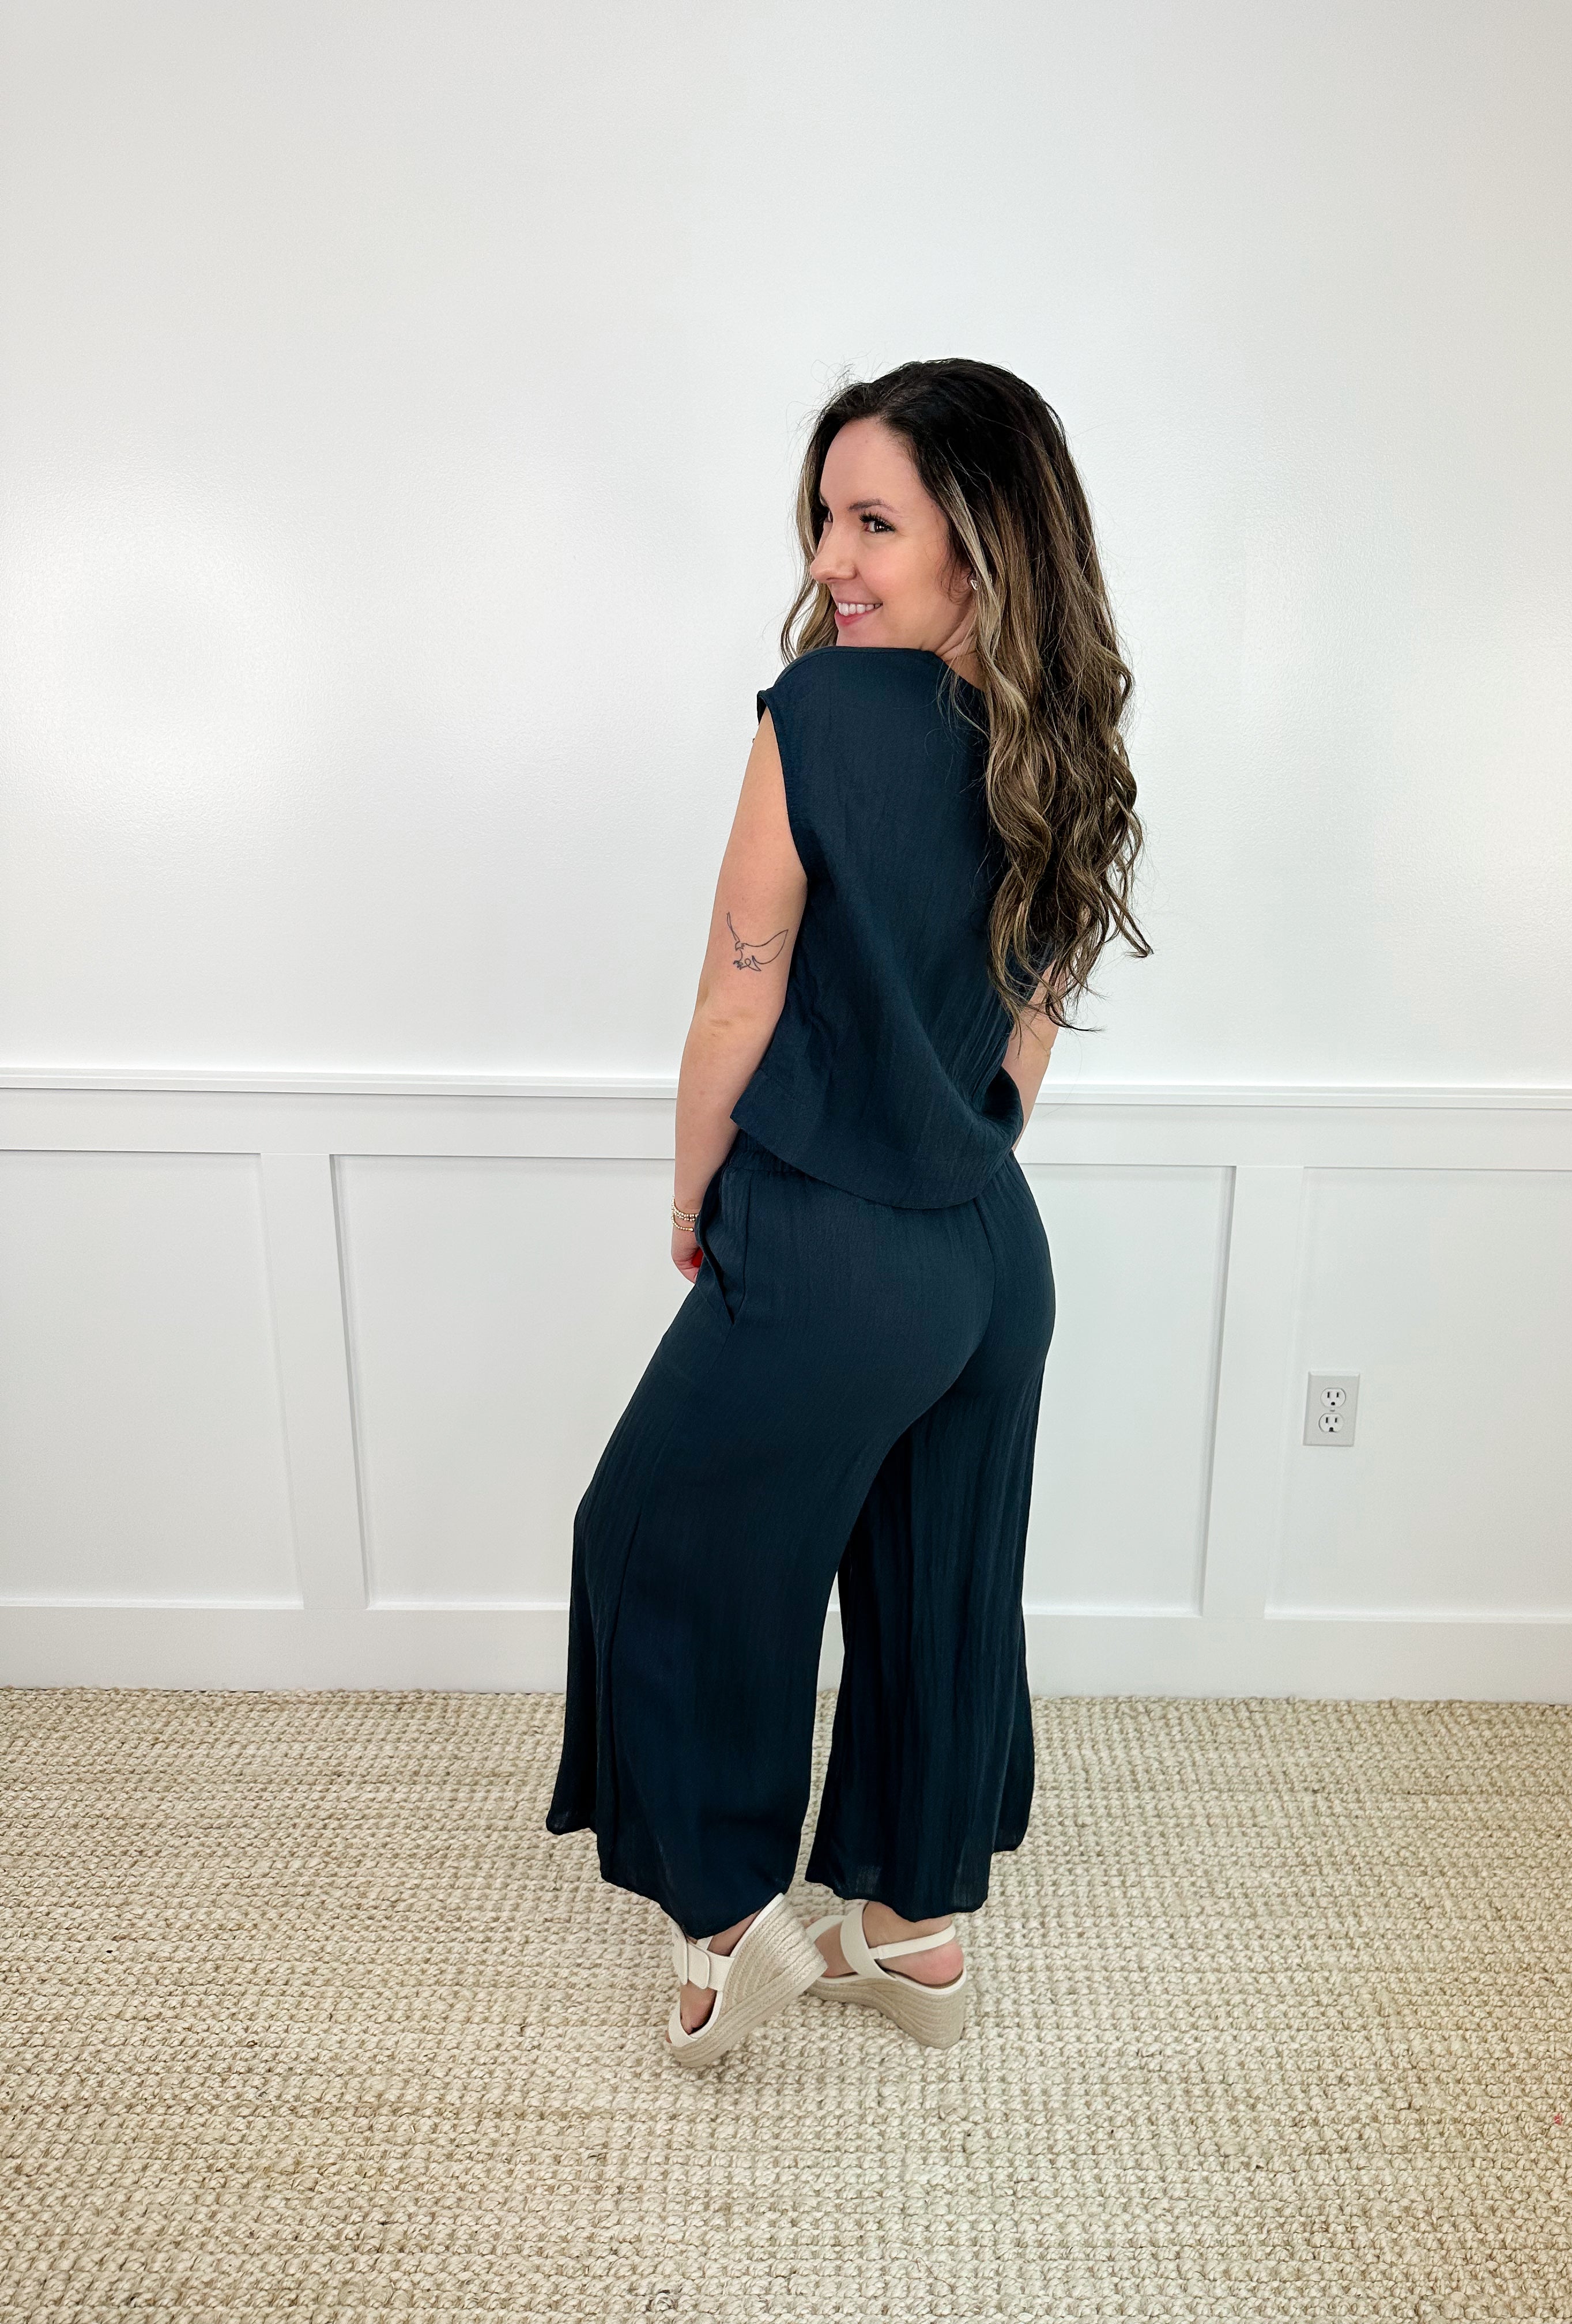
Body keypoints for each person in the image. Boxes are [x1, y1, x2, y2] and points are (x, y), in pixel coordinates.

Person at [545, 357, 1149, 2068]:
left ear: (986, 537)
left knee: (654, 1545)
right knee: (938, 1579)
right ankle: (915, 1934)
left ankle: (733, 1926)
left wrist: (694, 1193)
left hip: (829, 1239)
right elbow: (1037, 1010)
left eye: (874, 522)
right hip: (990, 1251)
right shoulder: (1071, 740)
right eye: (825, 518)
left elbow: (737, 992)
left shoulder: (817, 715)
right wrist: (971, 1144)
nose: (831, 560)